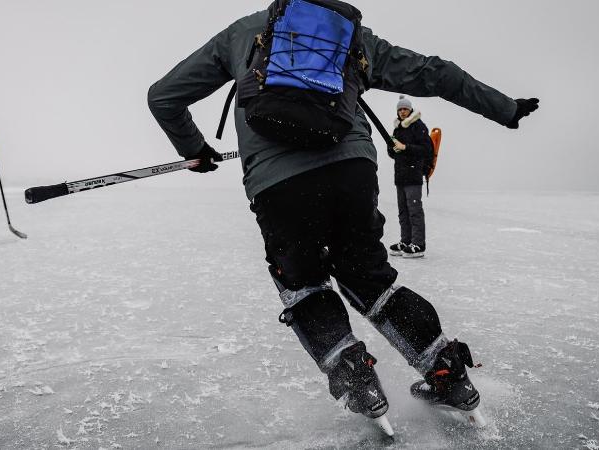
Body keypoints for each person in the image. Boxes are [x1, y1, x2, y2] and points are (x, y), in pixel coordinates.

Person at [148, 1, 538, 429]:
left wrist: (195, 150)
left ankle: (358, 380)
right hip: (351, 169)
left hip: (277, 184)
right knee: (370, 277)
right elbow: (436, 72)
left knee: (304, 285)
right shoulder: (350, 35)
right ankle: (447, 372)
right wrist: (505, 108)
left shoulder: (241, 33)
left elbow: (164, 97)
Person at [388, 95, 434, 258]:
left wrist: (404, 147)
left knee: (414, 210)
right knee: (403, 211)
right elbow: (393, 153)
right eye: (400, 109)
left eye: (405, 109)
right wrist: (392, 148)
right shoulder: (398, 128)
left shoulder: (418, 126)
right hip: (400, 176)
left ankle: (418, 244)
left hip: (413, 175)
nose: (402, 111)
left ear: (410, 109)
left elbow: (426, 150)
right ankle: (406, 241)